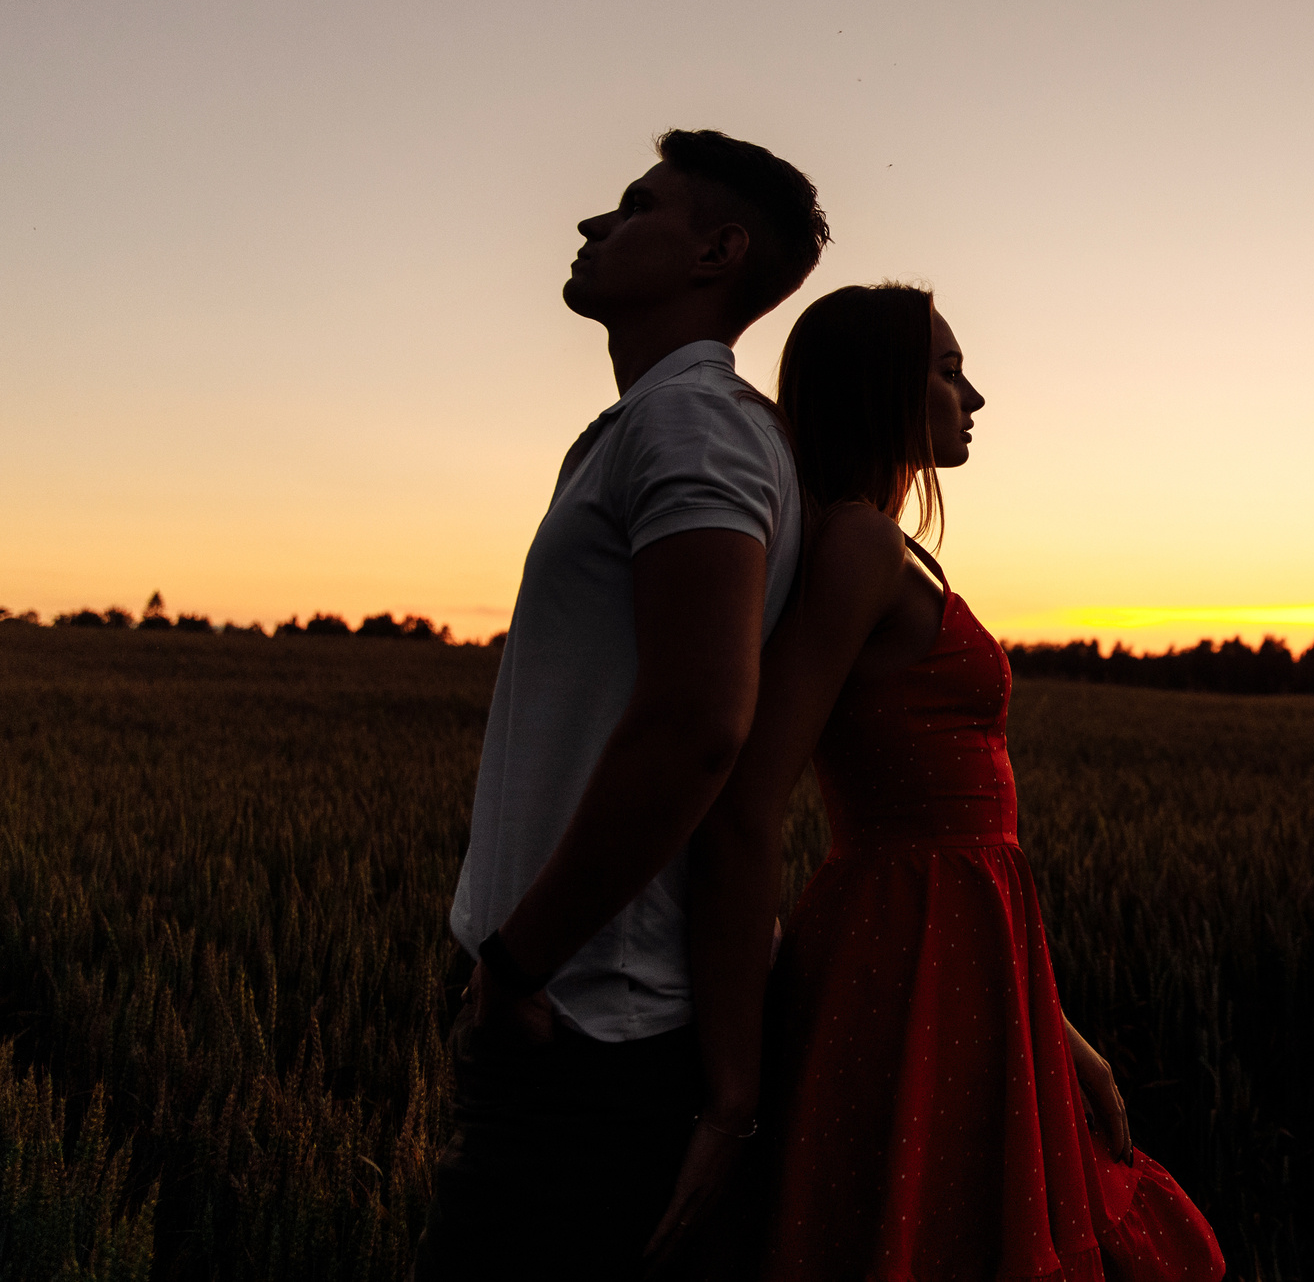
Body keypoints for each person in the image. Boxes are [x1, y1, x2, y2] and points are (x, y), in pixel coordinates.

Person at [648, 283, 1224, 1282]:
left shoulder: (888, 547)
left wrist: (1057, 1031)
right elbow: (748, 797)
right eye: (948, 371)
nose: (975, 397)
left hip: (971, 947)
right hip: (904, 947)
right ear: (881, 388)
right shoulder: (861, 547)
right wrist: (732, 1088)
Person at [413, 129, 828, 1282]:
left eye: (635, 205)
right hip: (585, 1011)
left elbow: (699, 721)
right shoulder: (657, 427)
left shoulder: (690, 426)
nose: (594, 225)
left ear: (717, 252)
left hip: (589, 1026)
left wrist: (520, 965)